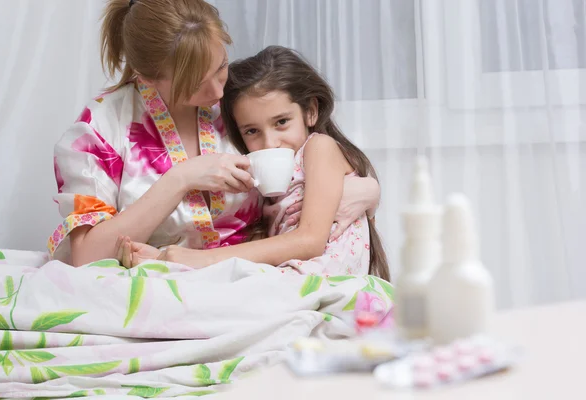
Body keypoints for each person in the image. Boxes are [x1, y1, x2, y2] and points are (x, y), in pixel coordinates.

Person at [50, 0, 381, 267]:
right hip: (162, 282)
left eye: (221, 66)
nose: (218, 92)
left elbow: (310, 158)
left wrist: (366, 188)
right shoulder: (100, 131)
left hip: (256, 275)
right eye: (195, 83)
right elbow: (87, 257)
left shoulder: (239, 105)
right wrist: (180, 179)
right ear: (147, 77)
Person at [120, 46, 390, 280]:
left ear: (310, 110)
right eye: (252, 131)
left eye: (281, 122)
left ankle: (174, 261)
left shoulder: (319, 147)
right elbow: (272, 247)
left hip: (321, 277)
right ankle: (165, 260)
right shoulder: (265, 178)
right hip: (293, 273)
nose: (270, 142)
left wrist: (194, 259)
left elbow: (310, 241)